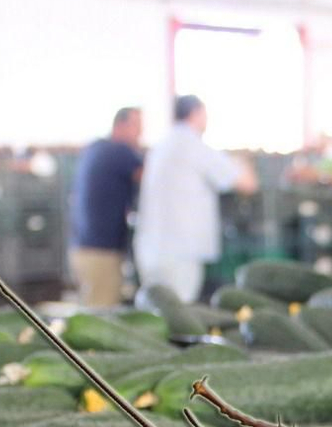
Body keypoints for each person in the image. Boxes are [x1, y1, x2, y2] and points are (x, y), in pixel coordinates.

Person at [134, 95, 257, 303]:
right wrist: (244, 159)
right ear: (196, 113)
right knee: (179, 318)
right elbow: (247, 184)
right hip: (179, 254)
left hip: (150, 249)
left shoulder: (161, 146)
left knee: (154, 314)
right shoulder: (194, 145)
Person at [68, 106, 143, 308]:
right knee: (100, 317)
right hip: (101, 253)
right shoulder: (120, 151)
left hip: (81, 249)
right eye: (136, 126)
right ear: (120, 125)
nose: (141, 133)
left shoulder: (95, 148)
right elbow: (150, 177)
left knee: (90, 310)